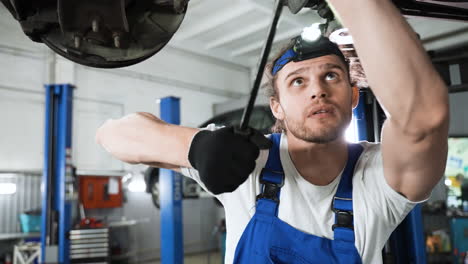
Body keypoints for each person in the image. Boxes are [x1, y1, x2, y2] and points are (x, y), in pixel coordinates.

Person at [95, 0, 449, 263]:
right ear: (276, 107)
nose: (317, 90)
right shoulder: (250, 160)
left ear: (354, 95)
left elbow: (423, 120)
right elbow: (113, 135)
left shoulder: (377, 179)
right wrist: (198, 148)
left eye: (331, 76)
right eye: (298, 81)